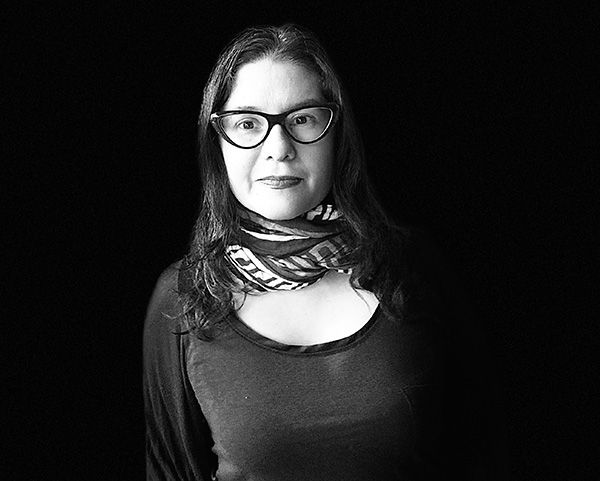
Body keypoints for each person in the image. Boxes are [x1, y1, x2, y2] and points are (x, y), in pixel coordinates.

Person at [143, 24, 507, 480]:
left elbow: (486, 449)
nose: (279, 148)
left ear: (336, 134)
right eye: (247, 124)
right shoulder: (184, 298)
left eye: (303, 119)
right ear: (217, 142)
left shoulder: (413, 267)